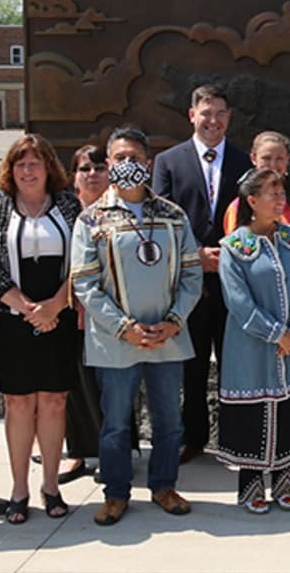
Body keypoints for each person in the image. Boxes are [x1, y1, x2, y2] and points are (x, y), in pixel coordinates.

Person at [71, 127, 203, 526]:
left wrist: (173, 321)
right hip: (116, 341)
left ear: (148, 163)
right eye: (119, 158)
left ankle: (164, 486)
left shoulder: (172, 215)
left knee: (169, 420)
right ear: (109, 164)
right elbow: (85, 283)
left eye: (134, 157)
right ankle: (115, 493)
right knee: (115, 424)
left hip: (167, 337)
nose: (127, 164)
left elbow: (192, 276)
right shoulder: (92, 218)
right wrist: (123, 327)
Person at [151, 83, 251, 464]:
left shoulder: (245, 163)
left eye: (220, 113)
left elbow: (253, 220)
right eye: (206, 113)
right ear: (192, 115)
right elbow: (160, 222)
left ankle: (236, 441)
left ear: (229, 118)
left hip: (234, 285)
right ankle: (193, 437)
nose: (214, 120)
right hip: (187, 286)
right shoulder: (168, 162)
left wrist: (226, 256)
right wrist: (195, 256)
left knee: (234, 366)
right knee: (190, 370)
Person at [0, 135, 82, 523]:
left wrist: (54, 306)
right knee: (18, 402)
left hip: (57, 319)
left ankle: (50, 485)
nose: (28, 171)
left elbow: (83, 260)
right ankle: (19, 488)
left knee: (53, 400)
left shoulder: (68, 205)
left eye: (35, 163)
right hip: (11, 319)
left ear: (49, 168)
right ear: (11, 171)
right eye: (20, 164)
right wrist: (25, 307)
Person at [216, 168, 290, 514]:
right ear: (252, 201)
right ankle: (251, 486)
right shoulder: (234, 247)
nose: (280, 200)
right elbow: (239, 304)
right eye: (272, 194)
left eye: (282, 193)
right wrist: (276, 334)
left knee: (287, 410)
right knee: (252, 413)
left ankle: (287, 482)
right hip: (250, 348)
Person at [54, 145, 113, 486]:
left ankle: (112, 453)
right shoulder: (61, 212)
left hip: (109, 312)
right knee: (73, 384)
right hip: (68, 310)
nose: (92, 174)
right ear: (73, 175)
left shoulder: (120, 210)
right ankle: (77, 452)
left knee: (110, 387)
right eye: (85, 168)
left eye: (99, 167)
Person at [222, 131, 290, 232]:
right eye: (266, 158)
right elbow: (235, 243)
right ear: (253, 159)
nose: (273, 165)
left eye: (279, 159)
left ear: (287, 158)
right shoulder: (239, 206)